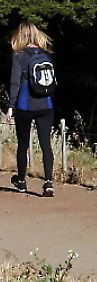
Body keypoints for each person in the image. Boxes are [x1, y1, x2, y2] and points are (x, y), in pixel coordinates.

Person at [6, 21, 56, 197]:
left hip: (25, 104)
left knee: (23, 144)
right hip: (46, 104)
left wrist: (10, 106)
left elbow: (15, 82)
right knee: (46, 144)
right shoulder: (46, 54)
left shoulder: (19, 55)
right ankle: (48, 183)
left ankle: (21, 181)